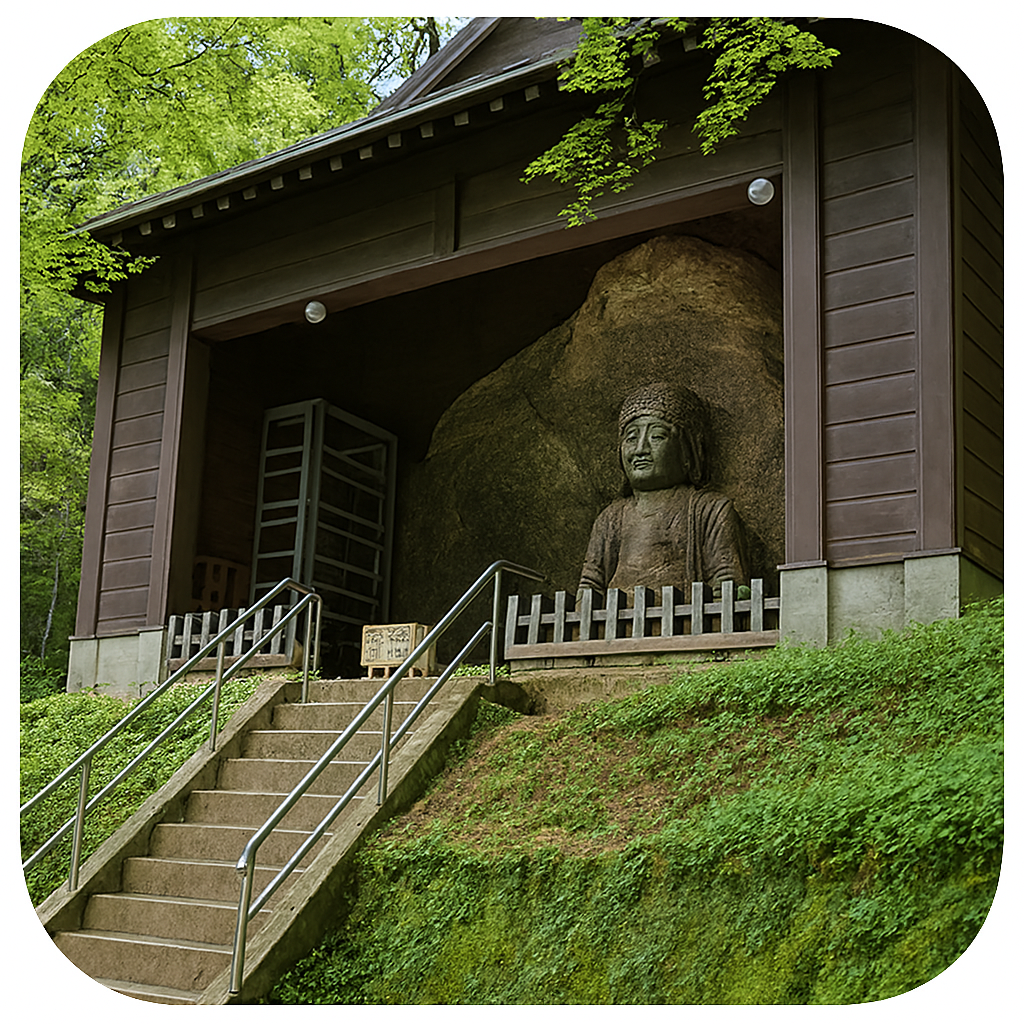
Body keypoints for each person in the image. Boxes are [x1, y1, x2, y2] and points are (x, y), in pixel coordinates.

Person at [578, 382, 748, 600]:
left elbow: (726, 581)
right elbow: (591, 585)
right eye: (631, 438)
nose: (640, 449)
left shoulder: (710, 510)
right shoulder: (611, 518)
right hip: (617, 624)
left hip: (688, 624)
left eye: (657, 436)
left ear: (687, 449)